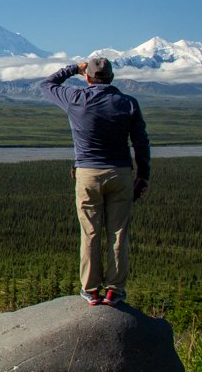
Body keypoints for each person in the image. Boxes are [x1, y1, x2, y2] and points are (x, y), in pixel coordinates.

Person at [40, 57, 150, 307]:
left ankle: (90, 290)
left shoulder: (75, 98)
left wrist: (73, 69)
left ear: (87, 78)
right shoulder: (128, 103)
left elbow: (47, 84)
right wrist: (143, 175)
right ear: (111, 78)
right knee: (118, 232)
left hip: (87, 174)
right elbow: (141, 142)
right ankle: (115, 290)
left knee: (90, 231)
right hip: (120, 173)